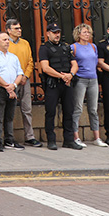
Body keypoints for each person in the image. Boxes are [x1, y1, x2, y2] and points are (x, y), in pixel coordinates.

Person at [39, 22, 79, 150]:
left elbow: (75, 64)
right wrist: (62, 76)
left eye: (58, 32)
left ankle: (68, 140)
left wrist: (70, 75)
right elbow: (45, 68)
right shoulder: (44, 48)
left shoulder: (66, 47)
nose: (57, 35)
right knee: (50, 112)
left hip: (67, 83)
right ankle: (51, 140)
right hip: (53, 84)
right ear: (48, 33)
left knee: (69, 111)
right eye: (54, 32)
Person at [5, 19, 42, 147]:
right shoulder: (5, 43)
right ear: (9, 30)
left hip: (24, 80)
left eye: (20, 28)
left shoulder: (25, 43)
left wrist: (25, 75)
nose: (19, 30)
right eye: (16, 28)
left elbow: (30, 61)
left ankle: (29, 136)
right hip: (10, 81)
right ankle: (8, 137)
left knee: (27, 109)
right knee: (9, 110)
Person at [70, 23, 107, 148]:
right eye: (84, 32)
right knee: (78, 108)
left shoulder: (93, 46)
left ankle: (96, 137)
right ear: (78, 34)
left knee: (93, 109)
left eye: (89, 32)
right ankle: (76, 136)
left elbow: (96, 63)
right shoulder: (74, 47)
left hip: (93, 79)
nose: (87, 34)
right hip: (80, 79)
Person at [0, 32, 25, 152]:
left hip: (13, 88)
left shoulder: (13, 57)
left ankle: (9, 139)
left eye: (8, 40)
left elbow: (20, 73)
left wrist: (13, 85)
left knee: (10, 116)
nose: (7, 42)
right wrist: (7, 87)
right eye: (4, 40)